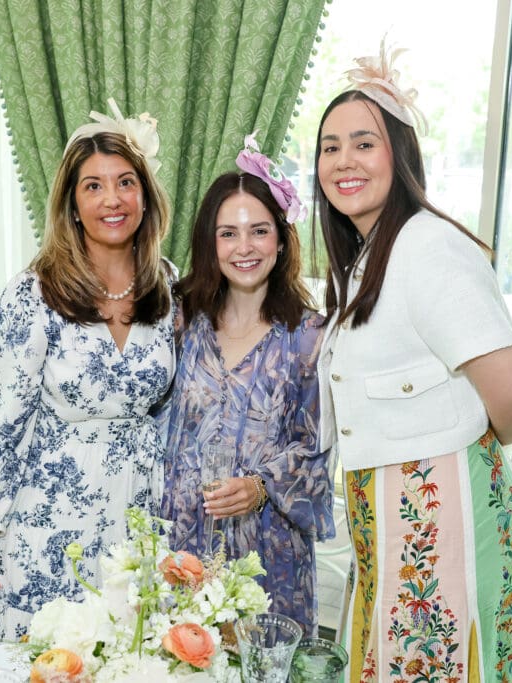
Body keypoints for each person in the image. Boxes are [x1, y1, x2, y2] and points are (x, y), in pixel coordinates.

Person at [314, 42, 512, 681]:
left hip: (447, 532)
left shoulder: (428, 246)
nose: (343, 161)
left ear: (400, 154)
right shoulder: (368, 257)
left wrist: (459, 463)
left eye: (364, 142)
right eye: (330, 147)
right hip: (398, 538)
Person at [0, 99, 176, 649]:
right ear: (72, 204)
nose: (112, 199)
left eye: (124, 182)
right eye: (92, 186)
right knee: (45, 651)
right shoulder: (32, 294)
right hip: (50, 515)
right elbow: (2, 425)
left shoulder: (168, 287)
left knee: (123, 650)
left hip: (138, 510)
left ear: (145, 195)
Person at [158, 134, 335, 635]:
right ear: (209, 243)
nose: (244, 248)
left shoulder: (310, 338)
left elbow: (319, 451)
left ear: (280, 239)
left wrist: (261, 487)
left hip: (267, 561)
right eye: (228, 234)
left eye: (258, 231)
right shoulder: (179, 319)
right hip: (183, 550)